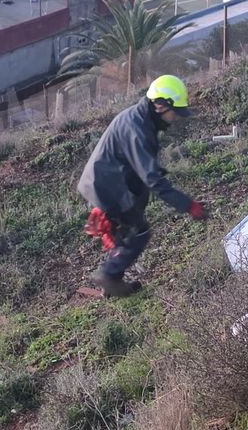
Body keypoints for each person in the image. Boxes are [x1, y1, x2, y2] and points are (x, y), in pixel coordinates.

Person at [76, 74, 207, 297]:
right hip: (107, 185)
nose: (174, 118)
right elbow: (152, 180)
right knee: (139, 233)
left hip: (109, 181)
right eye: (173, 112)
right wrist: (188, 205)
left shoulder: (142, 119)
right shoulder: (137, 128)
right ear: (160, 105)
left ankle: (111, 285)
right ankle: (108, 275)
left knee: (127, 230)